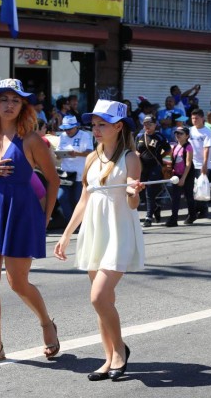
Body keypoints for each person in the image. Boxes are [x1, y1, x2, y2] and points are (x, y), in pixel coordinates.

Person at [0, 79, 60, 366]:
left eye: (15, 100)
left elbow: (53, 181)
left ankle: (46, 322)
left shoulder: (31, 140)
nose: (9, 104)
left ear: (23, 106)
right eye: (3, 99)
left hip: (20, 211)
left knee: (18, 282)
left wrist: (45, 217)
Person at [53, 99, 145, 382]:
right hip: (94, 230)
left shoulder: (131, 158)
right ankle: (108, 359)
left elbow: (132, 204)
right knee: (104, 300)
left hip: (119, 231)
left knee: (98, 297)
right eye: (93, 124)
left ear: (118, 126)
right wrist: (67, 234)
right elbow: (85, 197)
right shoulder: (92, 157)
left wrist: (133, 190)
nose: (95, 128)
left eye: (102, 123)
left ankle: (119, 351)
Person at [135, 114, 170, 227]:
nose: (147, 126)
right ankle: (155, 207)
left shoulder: (159, 136)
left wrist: (162, 159)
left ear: (155, 125)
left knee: (150, 192)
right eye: (145, 124)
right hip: (142, 168)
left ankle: (148, 217)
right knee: (141, 191)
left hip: (155, 167)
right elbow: (136, 150)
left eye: (149, 124)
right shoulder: (139, 136)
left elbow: (168, 150)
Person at [57, 115, 94, 222]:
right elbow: (59, 152)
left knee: (78, 199)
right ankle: (71, 222)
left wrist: (77, 153)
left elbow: (90, 152)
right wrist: (58, 155)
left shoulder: (85, 135)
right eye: (65, 129)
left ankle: (82, 222)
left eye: (69, 128)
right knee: (62, 197)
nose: (67, 131)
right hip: (65, 173)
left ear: (76, 127)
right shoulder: (62, 136)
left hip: (80, 173)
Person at [166, 126, 196, 226]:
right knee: (175, 197)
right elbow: (173, 161)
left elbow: (188, 164)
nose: (178, 135)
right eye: (176, 133)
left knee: (189, 196)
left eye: (181, 133)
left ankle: (192, 215)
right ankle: (173, 219)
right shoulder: (174, 146)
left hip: (187, 175)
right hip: (176, 175)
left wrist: (183, 178)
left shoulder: (188, 147)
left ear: (187, 136)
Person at [189, 108, 211, 218]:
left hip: (202, 164)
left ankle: (203, 209)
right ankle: (196, 209)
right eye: (193, 118)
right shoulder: (190, 130)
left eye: (197, 118)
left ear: (202, 119)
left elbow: (206, 149)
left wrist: (204, 164)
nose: (194, 120)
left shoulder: (207, 132)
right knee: (193, 187)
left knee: (201, 186)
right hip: (191, 162)